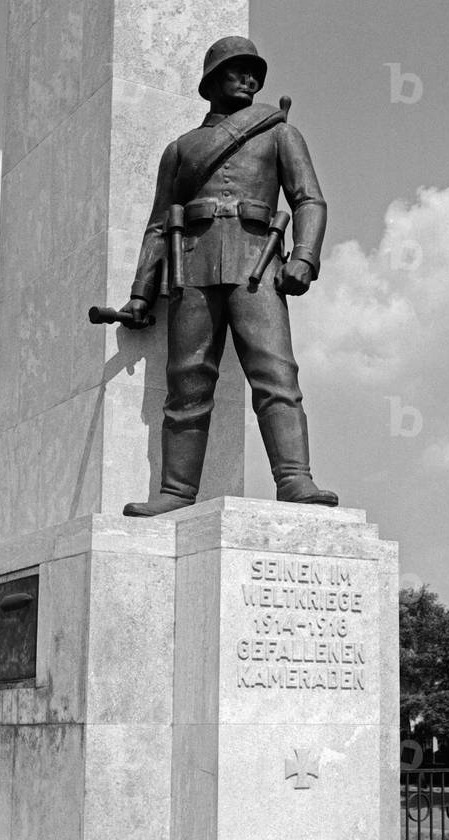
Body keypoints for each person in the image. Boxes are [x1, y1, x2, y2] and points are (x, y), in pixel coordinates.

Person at [119, 36, 338, 516]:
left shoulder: (279, 132)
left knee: (275, 372)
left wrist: (304, 255)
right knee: (187, 382)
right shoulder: (181, 150)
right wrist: (140, 293)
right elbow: (159, 224)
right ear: (211, 80)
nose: (250, 79)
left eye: (254, 71)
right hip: (192, 267)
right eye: (237, 70)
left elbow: (309, 199)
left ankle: (295, 480)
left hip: (257, 266)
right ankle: (175, 493)